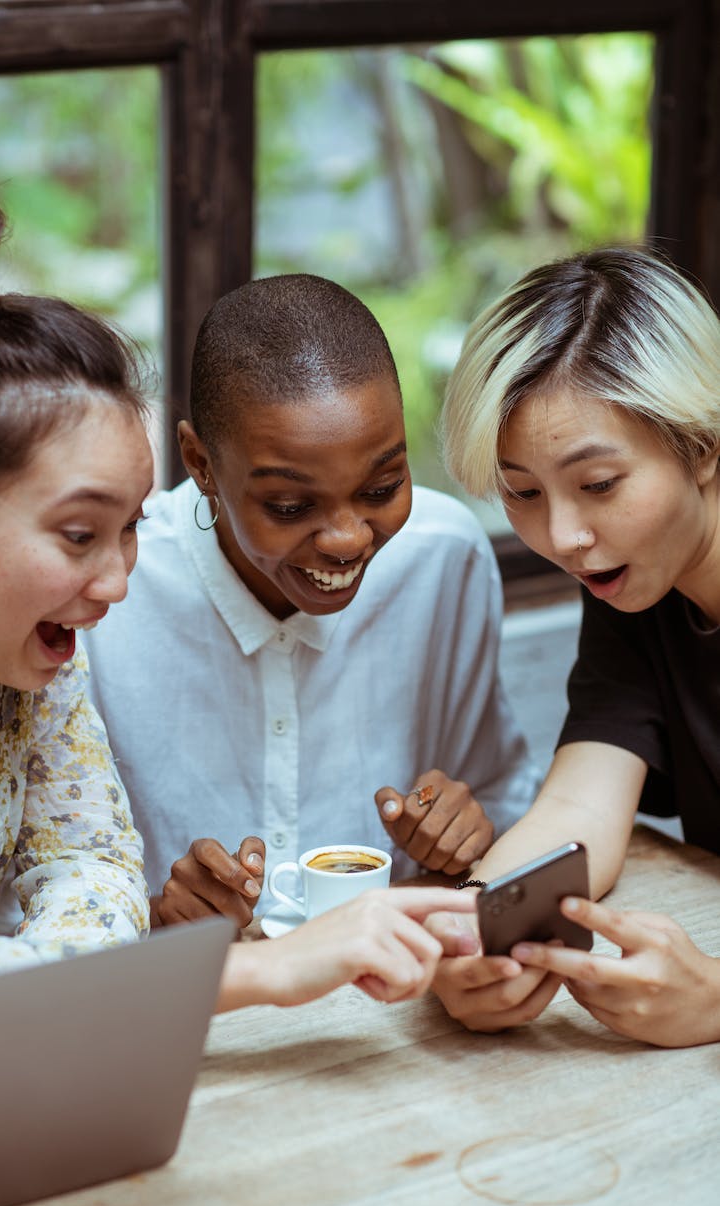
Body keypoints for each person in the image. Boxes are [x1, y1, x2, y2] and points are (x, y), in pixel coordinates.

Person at [0, 188, 479, 1012]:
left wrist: (89, 979)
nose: (117, 583)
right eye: (79, 535)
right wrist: (260, 971)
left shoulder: (16, 652)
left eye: (129, 529)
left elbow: (95, 875)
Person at [84, 273, 538, 927]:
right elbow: (31, 895)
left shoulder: (441, 557)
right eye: (290, 505)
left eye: (382, 487)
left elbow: (502, 796)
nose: (348, 538)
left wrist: (466, 833)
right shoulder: (109, 600)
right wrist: (151, 918)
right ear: (199, 462)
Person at [434, 244, 720, 1047]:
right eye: (521, 492)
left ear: (700, 443)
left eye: (597, 485)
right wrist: (473, 935)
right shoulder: (637, 583)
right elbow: (576, 806)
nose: (562, 536)